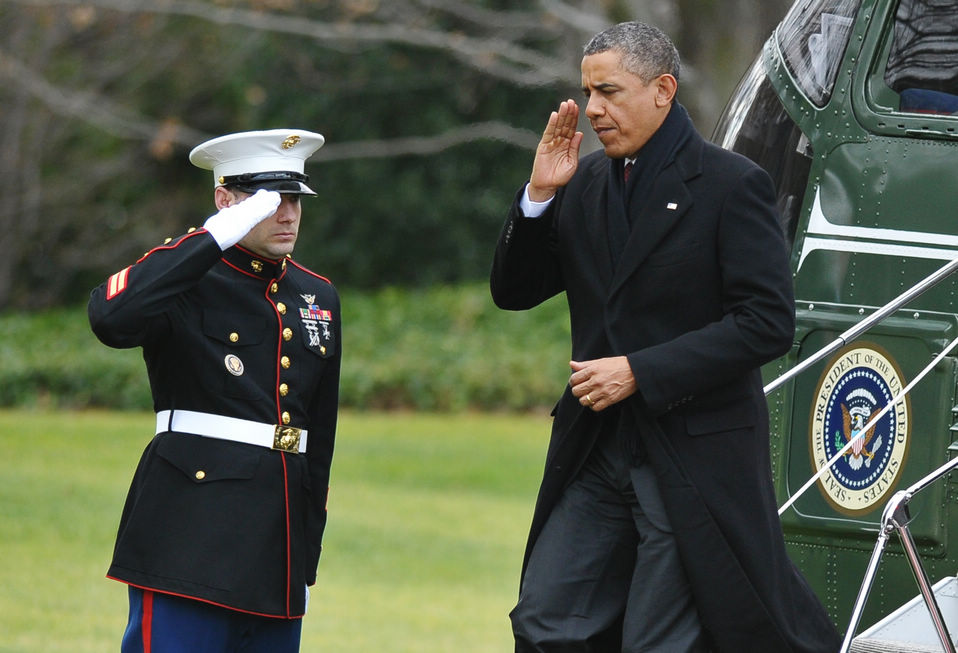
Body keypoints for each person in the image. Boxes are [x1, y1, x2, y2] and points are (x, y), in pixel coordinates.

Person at [490, 22, 841, 653]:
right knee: (545, 622)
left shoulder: (733, 184)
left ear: (663, 90)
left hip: (691, 458)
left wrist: (640, 370)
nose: (593, 108)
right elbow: (514, 292)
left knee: (659, 642)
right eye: (588, 92)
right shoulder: (585, 181)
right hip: (597, 451)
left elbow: (767, 322)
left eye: (610, 91)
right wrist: (540, 194)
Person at [88, 129, 340, 653]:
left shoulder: (317, 296)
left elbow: (318, 441)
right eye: (267, 200)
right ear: (225, 200)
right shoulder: (184, 277)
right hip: (189, 539)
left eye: (294, 198)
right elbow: (111, 318)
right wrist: (213, 238)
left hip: (277, 552)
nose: (287, 214)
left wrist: (304, 561)